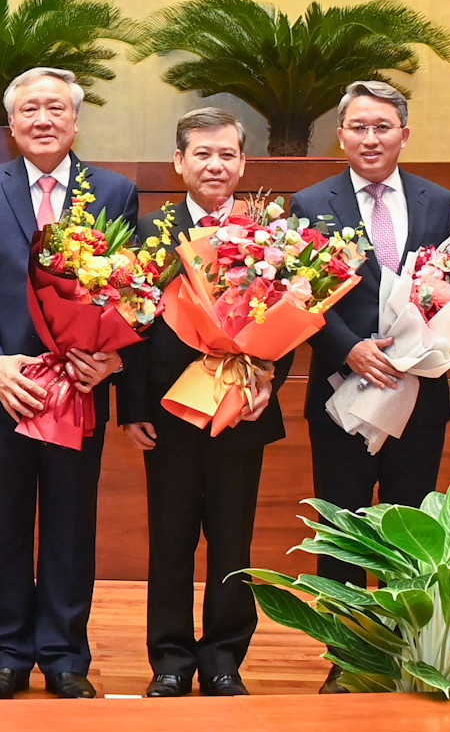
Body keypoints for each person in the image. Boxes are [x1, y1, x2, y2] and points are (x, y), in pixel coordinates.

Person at [0, 67, 138, 699]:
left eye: (55, 109)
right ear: (11, 123)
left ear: (75, 121)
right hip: (4, 389)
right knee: (1, 524)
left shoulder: (113, 190)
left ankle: (62, 655)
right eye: (30, 110)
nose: (43, 120)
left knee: (69, 522)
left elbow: (132, 290)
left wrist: (110, 359)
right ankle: (6, 654)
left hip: (78, 390)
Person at [291, 79, 450, 693]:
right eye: (358, 127)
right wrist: (349, 348)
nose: (370, 138)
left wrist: (427, 347)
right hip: (343, 389)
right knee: (342, 527)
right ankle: (347, 658)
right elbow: (299, 293)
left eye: (382, 127)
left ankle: (405, 652)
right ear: (341, 136)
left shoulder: (439, 202)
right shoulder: (309, 202)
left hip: (419, 393)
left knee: (412, 522)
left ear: (404, 135)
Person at [119, 107, 283, 698]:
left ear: (243, 163)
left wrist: (269, 378)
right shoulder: (147, 232)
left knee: (233, 538)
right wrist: (131, 406)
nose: (215, 165)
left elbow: (294, 318)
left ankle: (222, 658)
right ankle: (169, 658)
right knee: (170, 536)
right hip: (169, 411)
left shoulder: (273, 233)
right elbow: (130, 327)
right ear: (179, 162)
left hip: (241, 407)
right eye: (202, 154)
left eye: (226, 155)